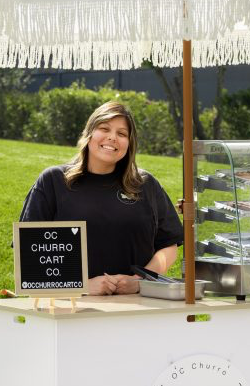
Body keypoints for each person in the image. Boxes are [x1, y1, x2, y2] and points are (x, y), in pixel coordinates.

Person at [19, 101, 184, 296]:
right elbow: (30, 255)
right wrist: (82, 286)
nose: (112, 137)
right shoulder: (53, 181)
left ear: (129, 143)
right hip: (72, 308)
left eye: (122, 134)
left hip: (138, 306)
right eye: (104, 128)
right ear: (89, 134)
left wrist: (141, 281)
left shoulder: (145, 184)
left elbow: (168, 246)